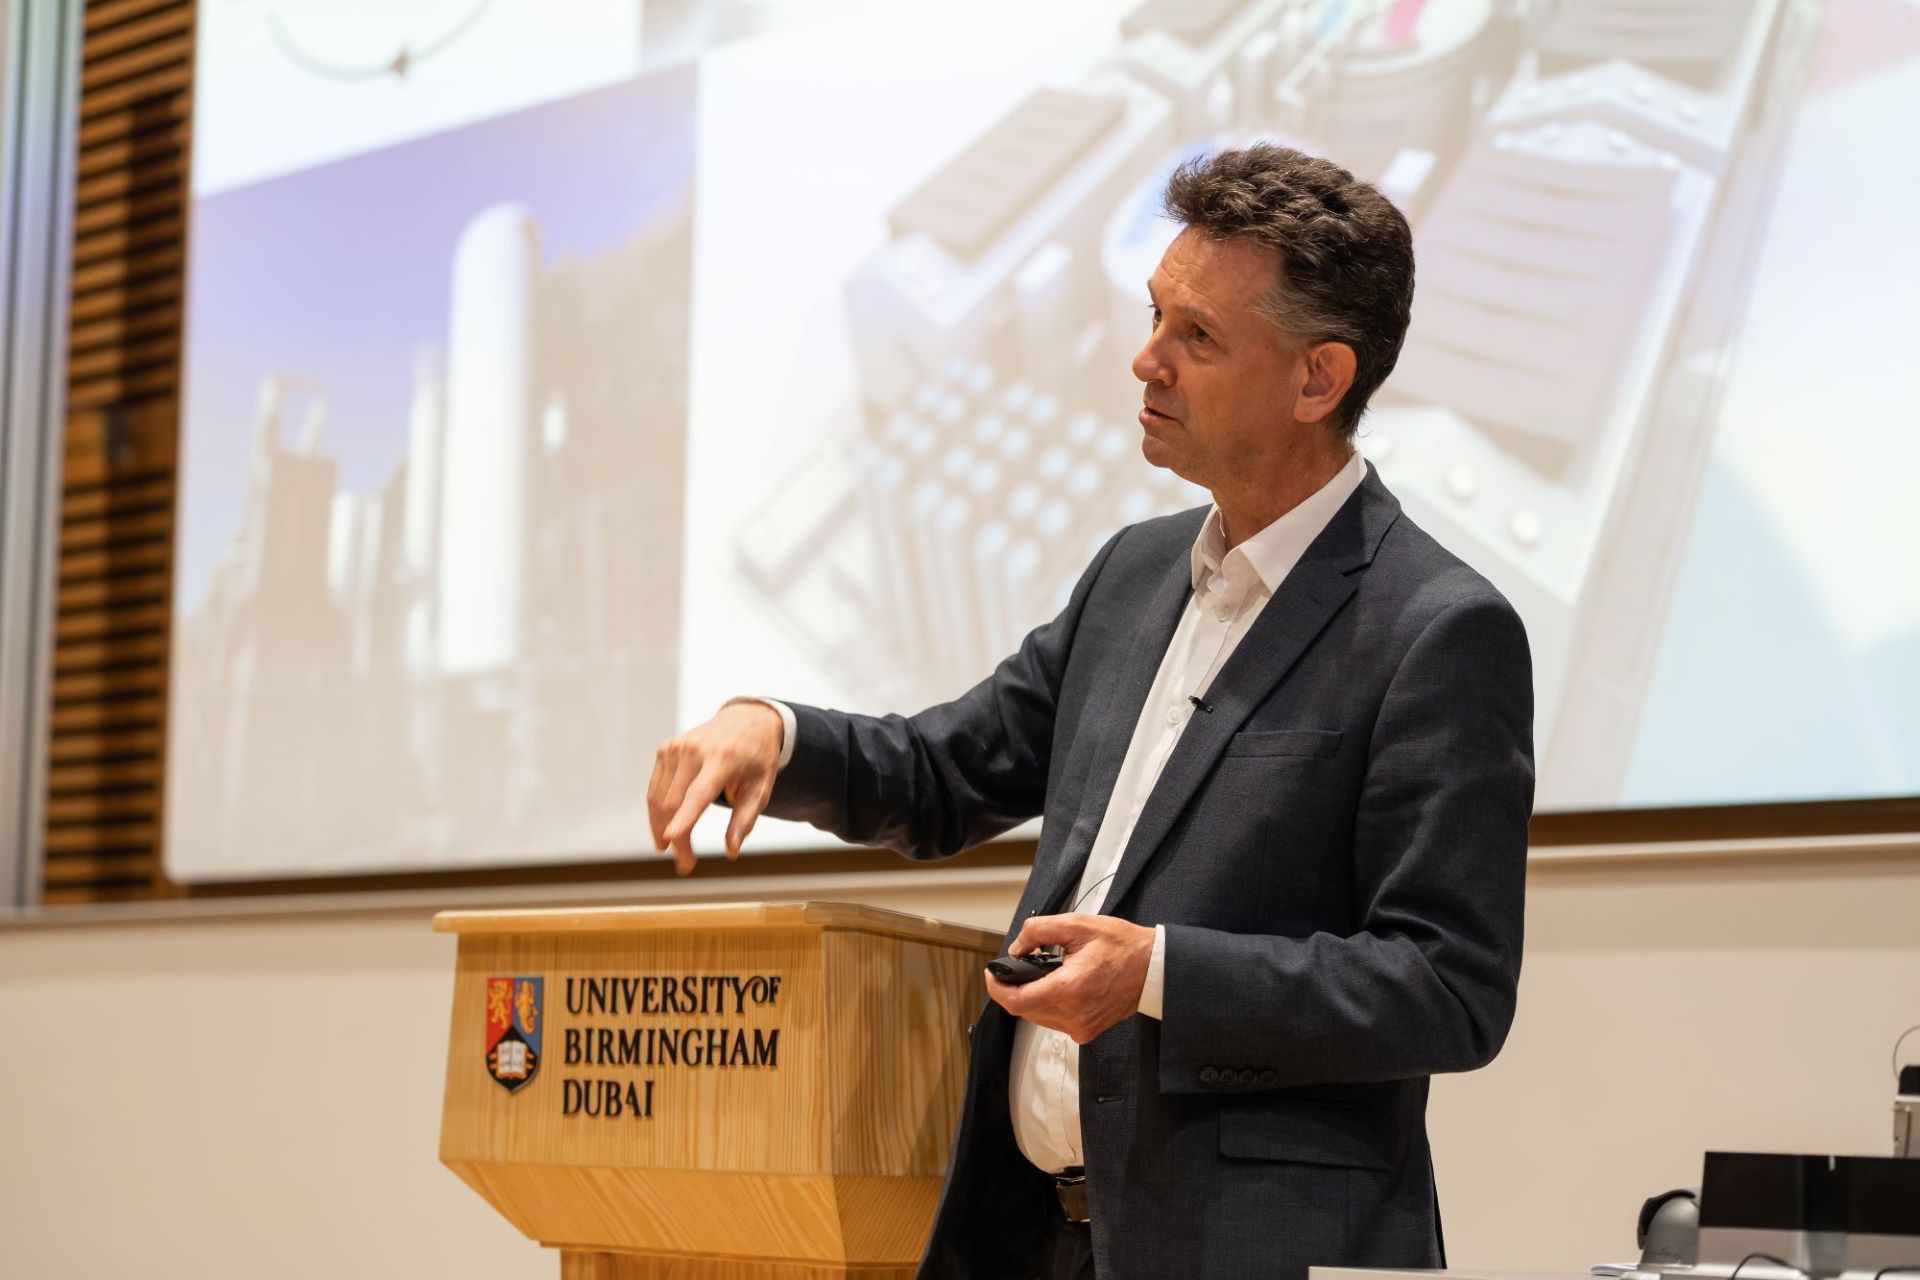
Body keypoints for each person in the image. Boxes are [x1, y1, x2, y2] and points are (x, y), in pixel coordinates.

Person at [645, 144, 1534, 1280]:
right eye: (1156, 314)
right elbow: (947, 774)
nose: (1145, 357)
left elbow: (1447, 988)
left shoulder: (1435, 628)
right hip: (1037, 1238)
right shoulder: (1132, 576)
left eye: (1196, 335)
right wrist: (778, 731)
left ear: (1318, 380)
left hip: (1245, 1253)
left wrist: (1159, 973)